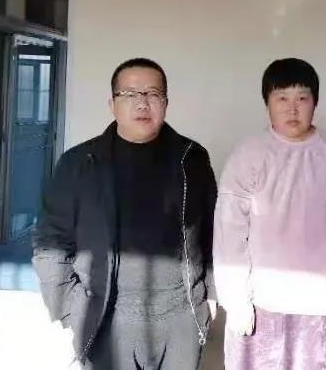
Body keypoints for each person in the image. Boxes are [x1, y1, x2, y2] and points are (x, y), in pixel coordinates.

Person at [33, 57, 217, 370]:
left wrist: (210, 296)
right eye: (130, 94)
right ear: (112, 105)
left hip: (180, 316)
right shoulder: (79, 163)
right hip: (107, 314)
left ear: (166, 103)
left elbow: (214, 232)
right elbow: (51, 241)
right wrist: (71, 308)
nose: (142, 103)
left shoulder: (192, 159)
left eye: (153, 94)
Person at [214, 58, 326, 370]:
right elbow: (230, 229)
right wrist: (235, 298)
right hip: (259, 304)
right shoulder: (249, 153)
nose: (292, 109)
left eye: (302, 98)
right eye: (282, 98)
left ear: (315, 102)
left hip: (319, 304)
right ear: (267, 104)